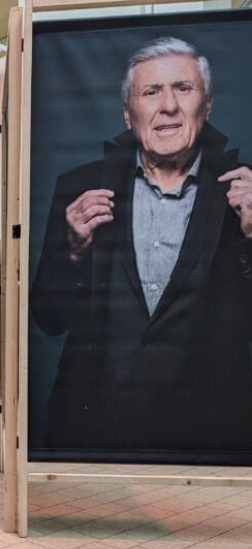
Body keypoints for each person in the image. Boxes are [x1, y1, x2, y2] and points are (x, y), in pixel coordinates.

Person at [31, 36, 252, 454]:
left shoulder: (247, 192)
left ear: (207, 105)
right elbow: (48, 318)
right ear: (128, 113)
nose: (167, 105)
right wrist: (74, 253)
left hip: (211, 435)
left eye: (183, 89)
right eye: (151, 92)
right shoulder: (79, 187)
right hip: (94, 429)